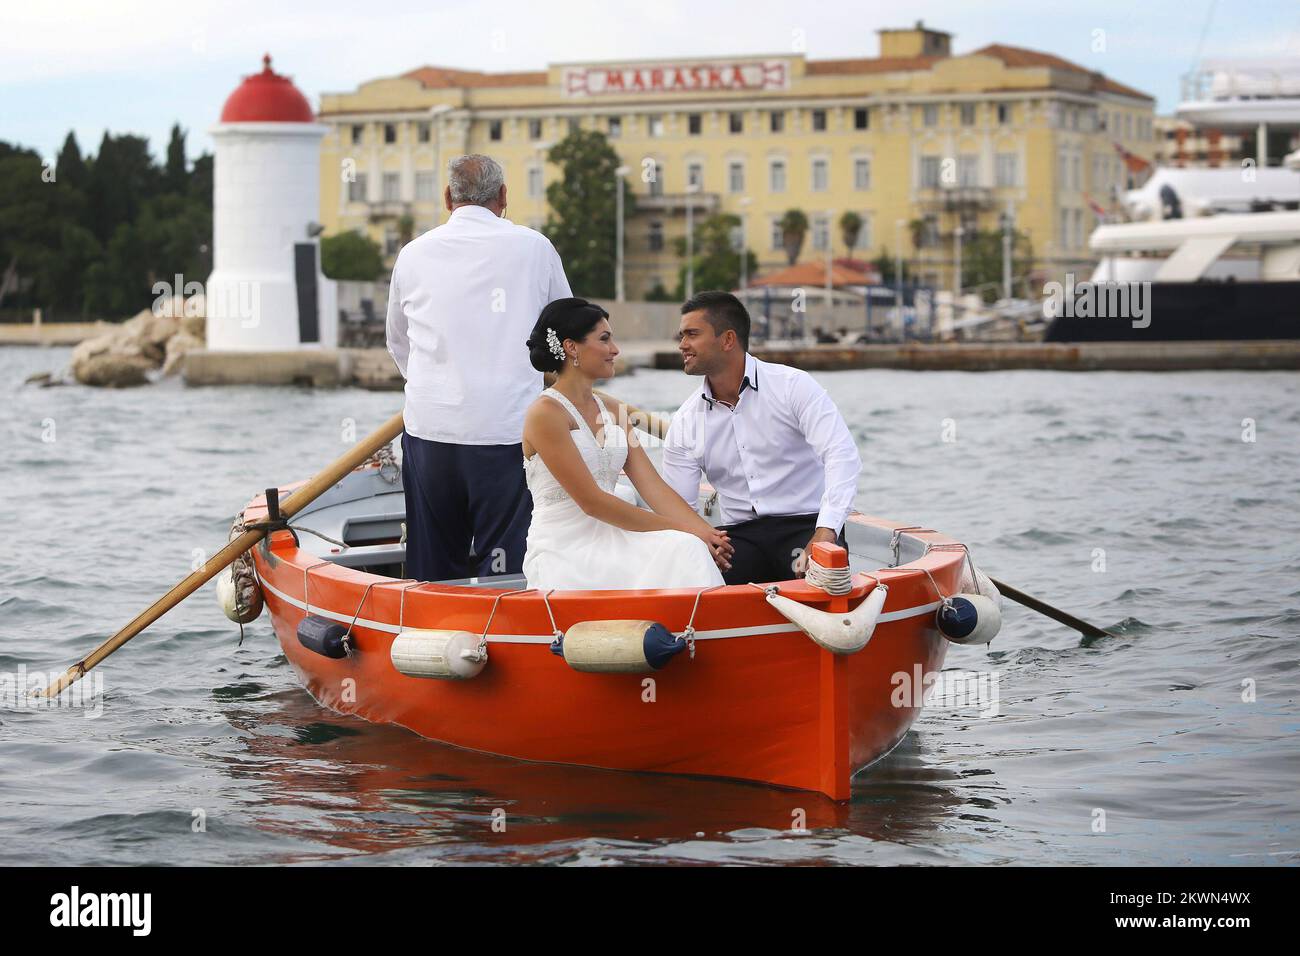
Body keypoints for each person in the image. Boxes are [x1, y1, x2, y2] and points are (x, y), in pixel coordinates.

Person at [386, 154, 571, 582]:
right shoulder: (535, 247)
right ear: (504, 196)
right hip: (508, 431)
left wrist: (433, 385)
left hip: (431, 429)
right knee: (506, 564)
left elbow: (398, 340)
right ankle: (506, 633)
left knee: (433, 564)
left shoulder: (412, 254)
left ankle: (430, 633)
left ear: (448, 197)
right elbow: (565, 332)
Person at [521, 298, 731, 590]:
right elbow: (593, 503)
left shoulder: (613, 410)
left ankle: (693, 631)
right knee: (684, 545)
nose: (615, 350)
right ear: (571, 348)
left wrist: (706, 533)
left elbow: (652, 486)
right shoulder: (545, 414)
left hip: (615, 533)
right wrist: (687, 531)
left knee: (688, 546)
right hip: (567, 547)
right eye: (605, 339)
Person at [662, 291, 862, 586]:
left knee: (821, 577)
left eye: (692, 334)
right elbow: (679, 507)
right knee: (693, 577)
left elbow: (841, 456)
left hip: (805, 525)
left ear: (728, 339)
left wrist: (826, 532)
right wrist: (702, 543)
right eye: (682, 335)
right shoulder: (685, 420)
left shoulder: (794, 387)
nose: (682, 345)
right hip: (738, 537)